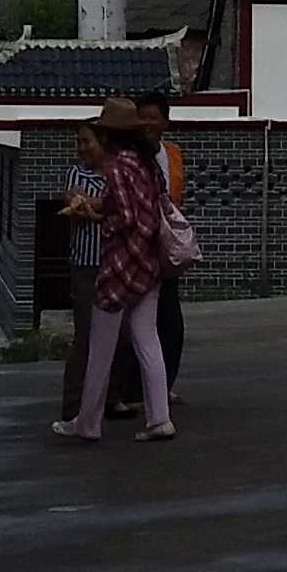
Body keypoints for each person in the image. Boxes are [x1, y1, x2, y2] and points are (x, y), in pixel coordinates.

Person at [52, 101, 177, 443]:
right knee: (147, 339)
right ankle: (159, 418)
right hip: (150, 263)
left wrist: (101, 221)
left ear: (109, 134)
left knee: (99, 348)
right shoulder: (149, 164)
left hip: (121, 264)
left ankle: (87, 423)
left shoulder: (118, 165)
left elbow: (123, 214)